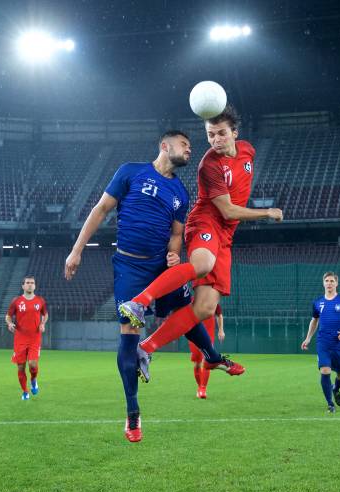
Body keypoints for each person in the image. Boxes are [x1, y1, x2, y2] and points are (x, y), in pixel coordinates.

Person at [65, 130, 229, 443]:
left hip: (158, 268)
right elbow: (100, 209)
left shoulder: (180, 192)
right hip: (129, 268)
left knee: (185, 311)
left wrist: (174, 251)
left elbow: (177, 234)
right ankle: (132, 413)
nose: (190, 149)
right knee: (129, 336)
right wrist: (77, 250)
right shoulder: (130, 172)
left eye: (191, 147)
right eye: (185, 145)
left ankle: (211, 354)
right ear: (165, 146)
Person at [119, 105, 283, 382]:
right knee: (202, 264)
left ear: (234, 133)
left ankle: (145, 348)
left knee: (205, 308)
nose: (216, 140)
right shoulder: (209, 165)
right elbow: (228, 211)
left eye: (221, 133)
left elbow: (234, 206)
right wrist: (267, 212)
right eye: (210, 135)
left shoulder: (248, 151)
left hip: (227, 236)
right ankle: (139, 302)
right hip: (206, 220)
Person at [301, 272, 340, 413]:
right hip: (323, 342)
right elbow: (314, 321)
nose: (329, 283)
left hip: (339, 343)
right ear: (323, 283)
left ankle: (335, 388)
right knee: (325, 370)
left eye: (332, 281)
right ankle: (330, 404)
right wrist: (308, 338)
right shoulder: (318, 302)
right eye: (327, 280)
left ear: (336, 283)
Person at [5, 276, 48, 400]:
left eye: (32, 283)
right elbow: (8, 316)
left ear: (35, 286)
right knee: (21, 367)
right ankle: (25, 391)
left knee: (33, 364)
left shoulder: (40, 301)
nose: (30, 285)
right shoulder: (16, 301)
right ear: (23, 286)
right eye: (27, 283)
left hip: (35, 338)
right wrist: (9, 323)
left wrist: (43, 323)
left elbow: (45, 314)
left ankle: (33, 380)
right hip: (20, 339)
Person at [190, 303, 225, 399]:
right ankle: (199, 387)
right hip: (194, 334)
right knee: (197, 364)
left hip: (208, 335)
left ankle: (203, 389)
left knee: (206, 360)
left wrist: (221, 330)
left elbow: (219, 315)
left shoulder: (213, 301)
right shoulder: (192, 301)